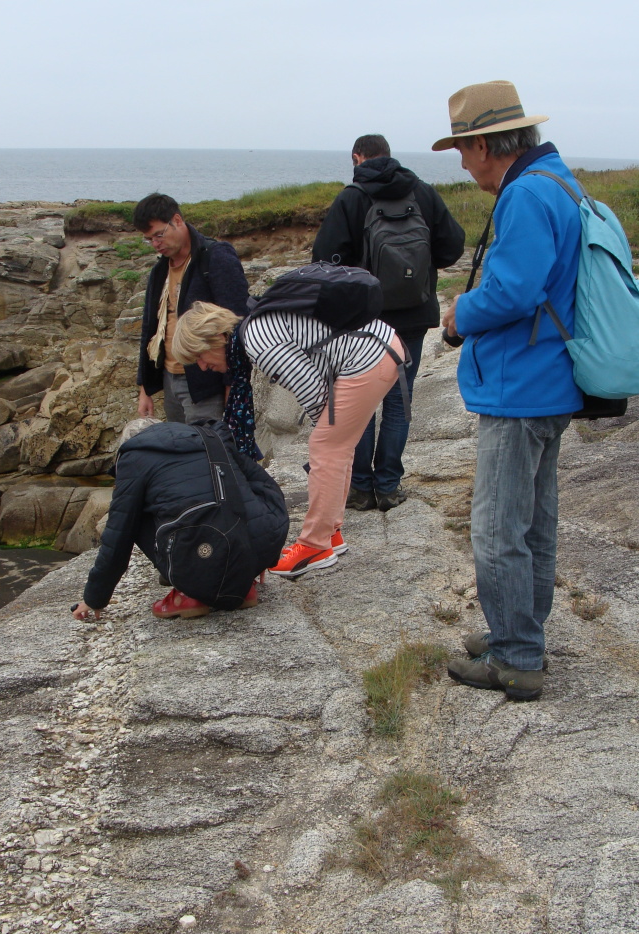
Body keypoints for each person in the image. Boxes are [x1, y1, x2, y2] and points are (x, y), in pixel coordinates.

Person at [435, 80, 583, 700]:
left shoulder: (524, 195)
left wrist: (459, 314)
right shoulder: (558, 182)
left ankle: (516, 657)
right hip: (549, 381)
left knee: (497, 529)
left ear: (489, 143)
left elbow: (514, 293)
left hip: (520, 387)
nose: (464, 164)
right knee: (533, 524)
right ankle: (518, 635)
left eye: (465, 150)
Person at [173, 300, 402, 579]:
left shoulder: (258, 342)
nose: (203, 366)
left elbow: (317, 397)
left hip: (370, 356)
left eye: (199, 355)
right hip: (378, 348)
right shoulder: (253, 332)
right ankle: (329, 534)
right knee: (333, 444)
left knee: (327, 445)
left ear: (218, 337)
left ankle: (314, 546)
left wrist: (326, 452)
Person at [312, 134, 465, 511]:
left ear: (357, 157)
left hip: (363, 322)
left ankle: (360, 487)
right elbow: (452, 247)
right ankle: (389, 487)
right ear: (389, 155)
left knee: (360, 402)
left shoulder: (352, 198)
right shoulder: (422, 193)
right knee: (399, 402)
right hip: (412, 317)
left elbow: (324, 260)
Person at [71, 417, 288, 621]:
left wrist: (94, 598)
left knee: (132, 512)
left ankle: (187, 592)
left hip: (203, 554)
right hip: (255, 547)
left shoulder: (133, 456)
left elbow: (118, 534)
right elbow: (265, 486)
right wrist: (263, 554)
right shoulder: (210, 437)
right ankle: (243, 585)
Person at [134, 193, 249, 424]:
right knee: (183, 452)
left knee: (210, 451)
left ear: (177, 220)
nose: (156, 244)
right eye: (149, 239)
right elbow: (151, 329)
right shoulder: (159, 271)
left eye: (159, 235)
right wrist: (145, 388)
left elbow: (237, 325)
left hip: (206, 381)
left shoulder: (215, 257)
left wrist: (231, 387)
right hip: (169, 377)